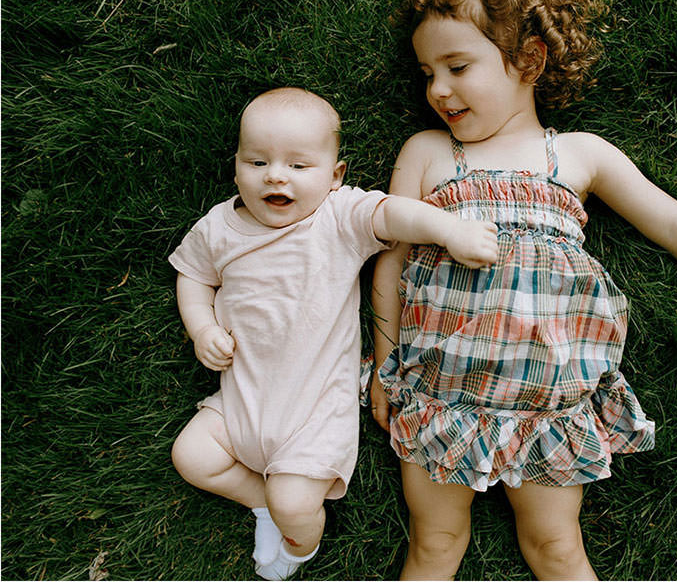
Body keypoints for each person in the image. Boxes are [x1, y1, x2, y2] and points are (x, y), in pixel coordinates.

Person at [370, 0, 677, 580]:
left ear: (529, 60)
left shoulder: (578, 155)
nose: (437, 89)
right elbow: (391, 262)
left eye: (458, 67)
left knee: (557, 549)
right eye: (427, 72)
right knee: (435, 546)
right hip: (444, 398)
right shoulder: (426, 151)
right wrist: (386, 367)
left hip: (551, 407)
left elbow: (669, 221)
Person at [168, 87, 498, 581]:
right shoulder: (219, 228)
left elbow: (392, 213)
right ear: (236, 166)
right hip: (238, 404)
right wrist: (202, 327)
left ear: (334, 176)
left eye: (299, 166)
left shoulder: (336, 217)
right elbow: (193, 276)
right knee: (191, 456)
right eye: (257, 162)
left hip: (313, 417)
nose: (276, 175)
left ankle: (298, 543)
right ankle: (261, 504)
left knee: (296, 503)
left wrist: (449, 230)